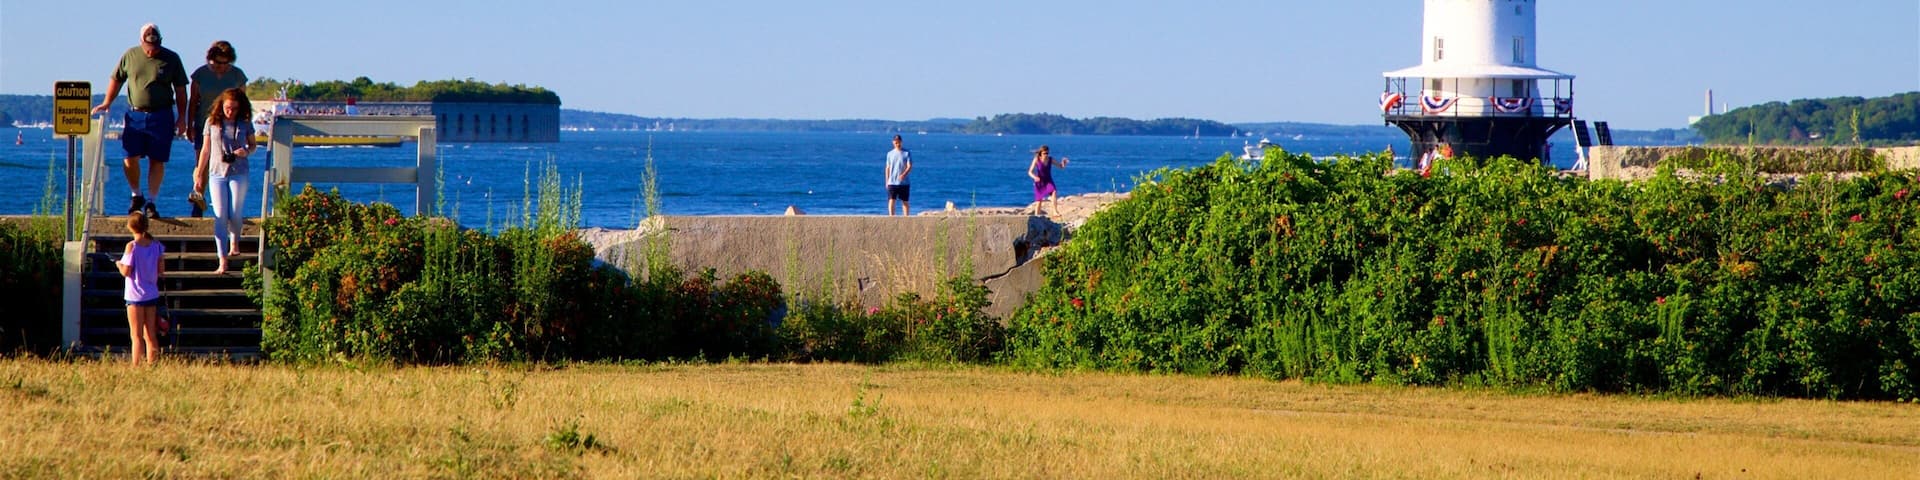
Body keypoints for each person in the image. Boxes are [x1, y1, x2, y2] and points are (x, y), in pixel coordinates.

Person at [92, 23, 190, 218]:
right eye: (148, 45)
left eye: (156, 45)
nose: (152, 49)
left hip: (161, 115)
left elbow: (180, 90)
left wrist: (182, 118)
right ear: (141, 41)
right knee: (129, 156)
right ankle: (136, 194)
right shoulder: (130, 55)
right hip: (135, 114)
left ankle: (152, 202)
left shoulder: (171, 58)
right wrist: (106, 103)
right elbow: (117, 79)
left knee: (157, 159)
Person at [194, 88, 256, 275]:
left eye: (234, 108)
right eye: (228, 107)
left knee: (235, 212)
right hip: (216, 173)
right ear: (221, 105)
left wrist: (246, 151)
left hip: (239, 171)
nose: (230, 111)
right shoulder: (211, 123)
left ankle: (235, 241)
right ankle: (222, 259)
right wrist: (199, 172)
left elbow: (253, 145)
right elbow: (205, 150)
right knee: (220, 215)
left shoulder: (245, 123)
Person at [117, 212, 166, 365]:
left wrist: (118, 264)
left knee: (136, 335)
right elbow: (161, 270)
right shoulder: (157, 246)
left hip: (135, 296)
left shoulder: (131, 246)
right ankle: (153, 363)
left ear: (131, 227)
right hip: (151, 293)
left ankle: (137, 365)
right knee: (150, 333)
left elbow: (126, 271)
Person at [187, 41, 247, 165]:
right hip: (203, 123)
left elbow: (243, 104)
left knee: (228, 164)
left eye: (225, 63)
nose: (221, 66)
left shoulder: (238, 75)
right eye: (218, 62)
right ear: (211, 59)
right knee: (201, 163)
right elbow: (193, 101)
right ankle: (198, 184)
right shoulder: (200, 74)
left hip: (230, 126)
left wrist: (245, 128)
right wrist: (190, 125)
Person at [1027, 145, 1068, 216]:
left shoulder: (1050, 159)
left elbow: (1061, 166)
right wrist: (1034, 177)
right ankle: (1037, 216)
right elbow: (1030, 172)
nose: (1046, 155)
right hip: (1040, 182)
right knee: (1039, 201)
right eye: (1044, 153)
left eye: (1047, 153)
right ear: (1041, 153)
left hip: (1048, 180)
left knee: (1054, 192)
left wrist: (1064, 163)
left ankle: (1055, 211)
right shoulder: (1036, 159)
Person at [884, 134, 913, 216]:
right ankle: (891, 217)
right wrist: (887, 180)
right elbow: (887, 168)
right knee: (891, 200)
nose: (898, 144)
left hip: (904, 182)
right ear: (893, 142)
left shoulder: (907, 153)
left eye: (899, 142)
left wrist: (904, 174)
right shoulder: (889, 154)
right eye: (896, 142)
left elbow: (910, 166)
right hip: (892, 182)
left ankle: (906, 218)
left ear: (901, 142)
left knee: (905, 201)